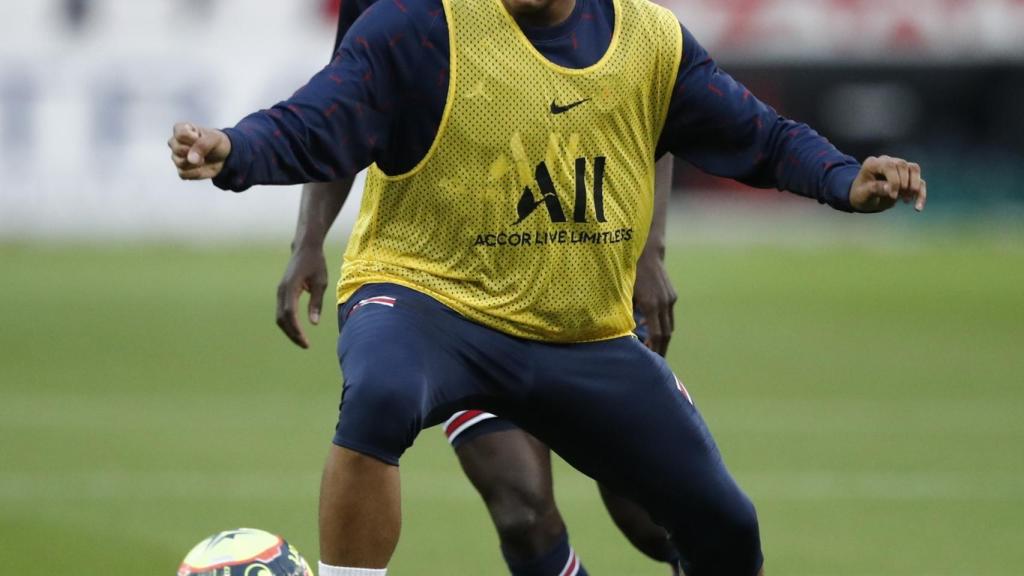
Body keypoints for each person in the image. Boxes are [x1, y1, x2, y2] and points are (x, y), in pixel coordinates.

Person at [168, 0, 927, 574]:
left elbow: (756, 136)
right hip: (433, 304)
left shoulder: (649, 37)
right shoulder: (417, 27)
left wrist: (841, 177)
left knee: (717, 525)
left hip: (579, 329)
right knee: (390, 400)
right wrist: (234, 150)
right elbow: (319, 118)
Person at [276, 4, 682, 574]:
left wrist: (648, 251)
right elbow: (349, 105)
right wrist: (309, 238)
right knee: (521, 513)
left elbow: (650, 89)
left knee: (652, 513)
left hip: (583, 280)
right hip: (453, 294)